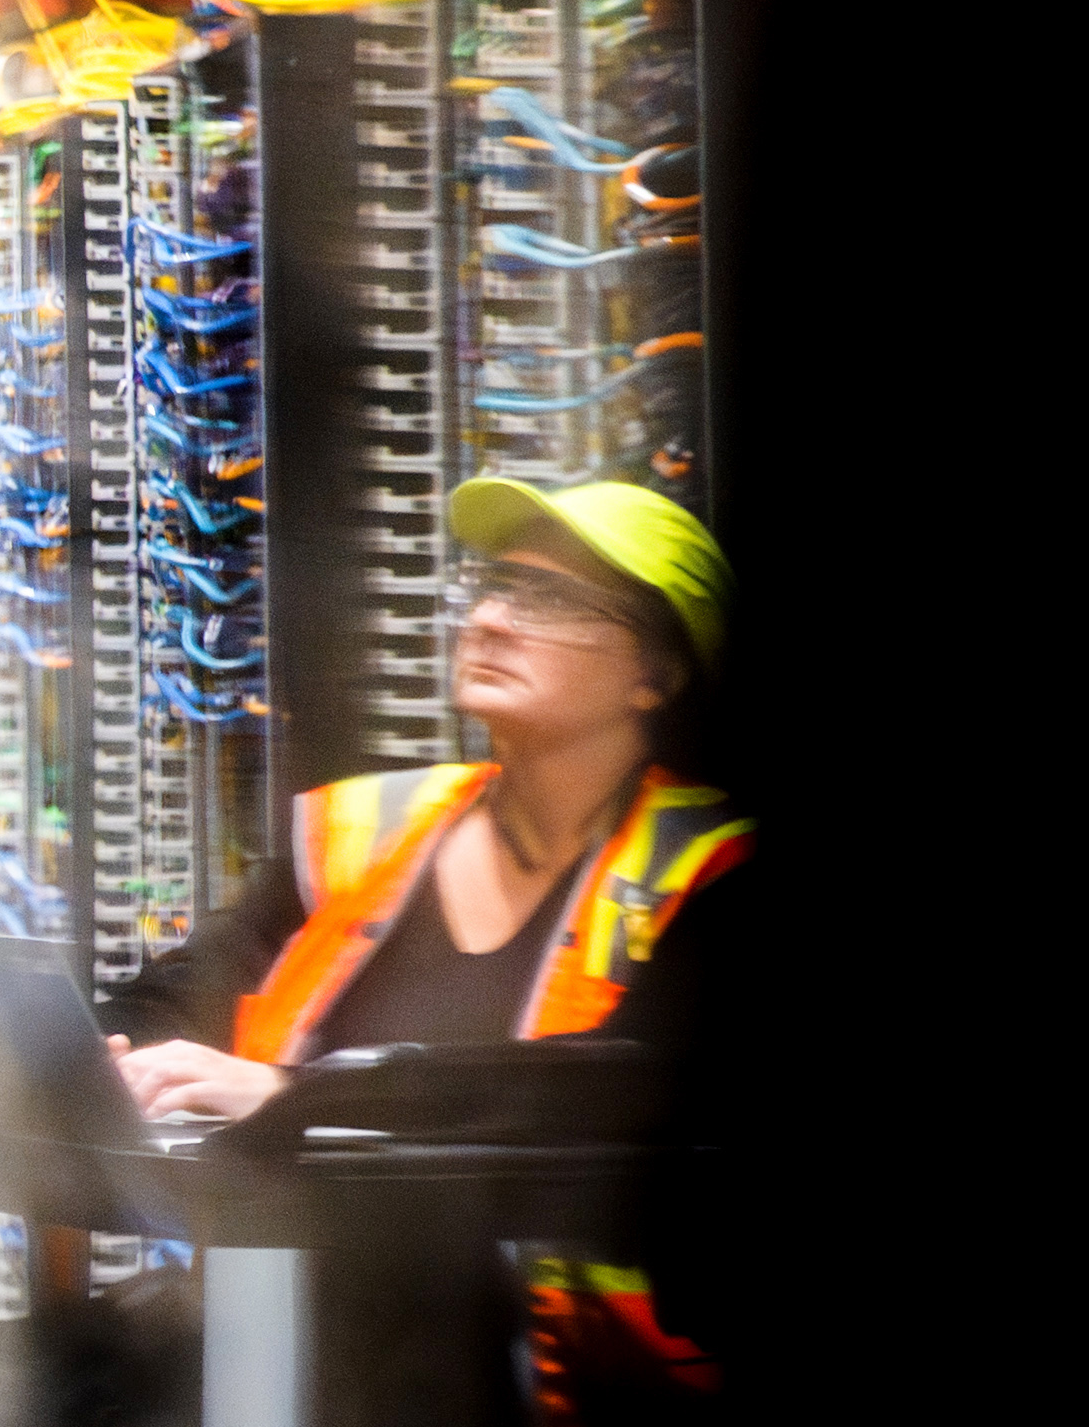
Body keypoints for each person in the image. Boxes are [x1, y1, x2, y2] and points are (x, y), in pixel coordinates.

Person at [102, 478, 749, 1116]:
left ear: (654, 674)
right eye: (492, 587)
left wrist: (299, 1099)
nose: (490, 620)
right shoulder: (369, 824)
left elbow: (607, 1096)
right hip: (297, 1225)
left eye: (552, 600)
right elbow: (188, 992)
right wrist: (118, 1052)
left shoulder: (707, 873)